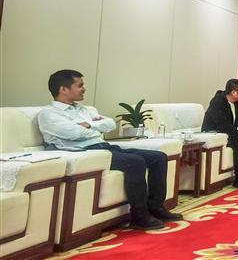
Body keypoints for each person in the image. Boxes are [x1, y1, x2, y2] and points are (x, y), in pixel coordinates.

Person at [36, 69, 182, 230]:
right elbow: (74, 133)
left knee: (159, 157)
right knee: (135, 162)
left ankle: (156, 207)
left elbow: (110, 124)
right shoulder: (48, 114)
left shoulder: (85, 110)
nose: (84, 89)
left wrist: (89, 125)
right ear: (63, 89)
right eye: (80, 85)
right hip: (86, 152)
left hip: (104, 147)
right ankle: (139, 216)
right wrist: (94, 126)